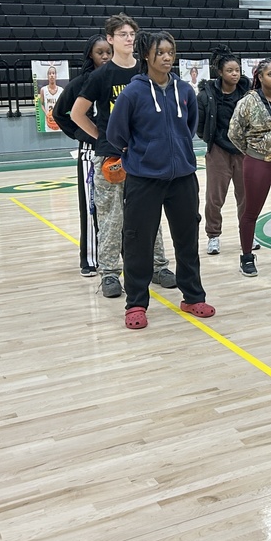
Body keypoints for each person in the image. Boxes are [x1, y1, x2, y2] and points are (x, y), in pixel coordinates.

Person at [106, 30, 215, 329]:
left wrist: (177, 153)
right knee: (138, 243)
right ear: (146, 55)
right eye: (161, 52)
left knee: (187, 240)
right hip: (144, 179)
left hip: (182, 178)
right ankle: (136, 304)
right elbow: (116, 134)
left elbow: (190, 126)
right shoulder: (132, 93)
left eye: (171, 52)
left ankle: (193, 297)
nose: (167, 57)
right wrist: (141, 154)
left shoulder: (184, 90)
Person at [70, 13, 176, 299]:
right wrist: (102, 138)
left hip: (145, 158)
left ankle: (158, 266)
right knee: (112, 218)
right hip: (111, 159)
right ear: (110, 39)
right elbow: (76, 114)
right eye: (123, 34)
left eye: (132, 34)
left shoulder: (146, 72)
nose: (129, 39)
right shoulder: (100, 76)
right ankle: (109, 273)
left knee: (150, 215)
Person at [227, 58, 271, 277]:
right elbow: (234, 132)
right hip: (258, 162)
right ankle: (247, 256)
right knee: (251, 212)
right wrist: (252, 151)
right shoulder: (248, 101)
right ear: (259, 77)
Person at [54, 33, 112, 277]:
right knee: (91, 208)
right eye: (101, 53)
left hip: (117, 150)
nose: (106, 57)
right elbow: (60, 113)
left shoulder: (121, 79)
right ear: (91, 55)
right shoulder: (81, 83)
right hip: (91, 152)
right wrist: (83, 134)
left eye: (109, 52)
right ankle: (89, 259)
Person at [197, 47, 251, 256]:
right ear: (220, 72)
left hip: (243, 151)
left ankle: (247, 235)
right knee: (214, 198)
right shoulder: (206, 95)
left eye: (237, 70)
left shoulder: (247, 94)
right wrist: (211, 140)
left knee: (246, 197)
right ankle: (213, 236)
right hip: (218, 151)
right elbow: (199, 125)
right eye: (230, 70)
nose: (235, 74)